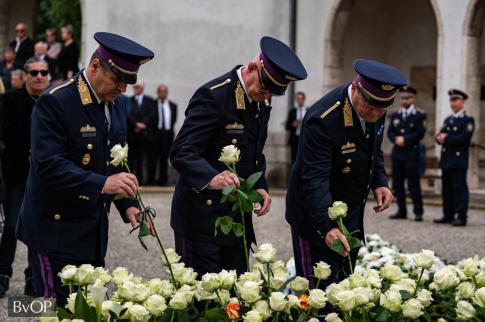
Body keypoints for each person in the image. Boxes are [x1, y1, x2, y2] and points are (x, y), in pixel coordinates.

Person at [15, 32, 154, 305]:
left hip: (91, 232)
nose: (122, 89)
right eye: (117, 79)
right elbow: (48, 166)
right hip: (53, 231)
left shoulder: (118, 104)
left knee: (91, 309)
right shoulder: (56, 101)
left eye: (127, 82)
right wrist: (103, 185)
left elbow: (116, 161)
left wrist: (129, 204)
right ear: (94, 67)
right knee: (55, 310)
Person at [170, 36, 307, 276]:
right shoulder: (214, 96)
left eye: (270, 95)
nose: (265, 98)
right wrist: (212, 177)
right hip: (202, 218)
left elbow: (254, 152)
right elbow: (181, 151)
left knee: (236, 298)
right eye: (264, 90)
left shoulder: (259, 100)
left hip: (236, 219)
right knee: (203, 302)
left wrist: (260, 184)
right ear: (252, 68)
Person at [286, 59, 406, 289]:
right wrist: (326, 227)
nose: (376, 113)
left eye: (383, 108)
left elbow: (373, 149)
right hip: (314, 218)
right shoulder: (323, 120)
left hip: (349, 213)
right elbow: (314, 179)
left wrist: (379, 181)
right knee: (318, 295)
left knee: (344, 291)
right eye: (371, 106)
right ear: (355, 88)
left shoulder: (377, 109)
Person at [0, 57, 50, 298]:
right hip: (17, 174)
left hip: (46, 177)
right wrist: (28, 154)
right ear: (25, 76)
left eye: (43, 72)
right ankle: (2, 276)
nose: (39, 76)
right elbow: (6, 133)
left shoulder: (55, 101)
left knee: (38, 229)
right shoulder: (10, 100)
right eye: (34, 72)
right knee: (10, 226)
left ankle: (34, 278)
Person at [434, 89, 474, 227]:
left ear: (462, 102)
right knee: (447, 189)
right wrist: (439, 138)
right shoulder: (448, 120)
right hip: (446, 160)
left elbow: (464, 138)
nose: (453, 103)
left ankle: (461, 217)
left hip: (458, 161)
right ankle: (448, 214)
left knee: (459, 189)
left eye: (455, 100)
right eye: (451, 100)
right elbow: (440, 136)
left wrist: (446, 138)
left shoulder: (467, 120)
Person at [387, 86, 426, 221]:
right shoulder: (395, 115)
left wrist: (405, 139)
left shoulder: (419, 115)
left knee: (413, 184)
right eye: (403, 98)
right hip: (398, 154)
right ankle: (401, 210)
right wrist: (395, 139)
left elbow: (420, 133)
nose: (405, 100)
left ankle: (418, 211)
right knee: (398, 184)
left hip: (411, 154)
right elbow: (390, 132)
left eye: (408, 98)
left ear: (413, 99)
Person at [150, 84, 177, 186]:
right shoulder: (152, 104)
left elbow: (172, 121)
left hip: (167, 135)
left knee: (164, 158)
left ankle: (163, 180)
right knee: (152, 158)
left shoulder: (172, 106)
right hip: (155, 134)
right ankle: (151, 180)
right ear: (157, 92)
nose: (163, 93)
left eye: (165, 91)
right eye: (161, 91)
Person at [127, 82, 154, 184]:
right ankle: (130, 180)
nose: (135, 89)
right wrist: (136, 124)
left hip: (144, 135)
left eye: (137, 87)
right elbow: (128, 114)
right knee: (131, 159)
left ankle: (141, 180)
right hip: (132, 135)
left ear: (142, 88)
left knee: (141, 159)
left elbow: (151, 114)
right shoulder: (129, 100)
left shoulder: (149, 100)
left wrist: (143, 124)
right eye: (134, 87)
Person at [285, 91, 308, 164]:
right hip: (295, 139)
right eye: (298, 99)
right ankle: (294, 175)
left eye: (301, 99)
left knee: (305, 158)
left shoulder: (308, 110)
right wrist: (293, 125)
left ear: (304, 99)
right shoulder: (292, 111)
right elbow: (287, 126)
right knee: (294, 158)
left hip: (305, 138)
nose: (299, 101)